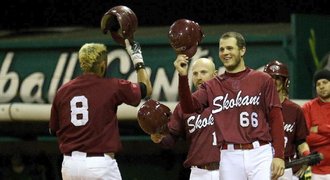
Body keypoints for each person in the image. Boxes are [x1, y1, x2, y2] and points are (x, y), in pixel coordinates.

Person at [173, 31, 285, 180]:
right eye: (222, 49)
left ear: (242, 50)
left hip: (260, 152)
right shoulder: (212, 85)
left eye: (230, 48)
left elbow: (275, 118)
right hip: (229, 155)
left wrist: (279, 155)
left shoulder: (262, 79)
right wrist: (182, 76)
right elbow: (188, 108)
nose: (225, 52)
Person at [49, 39, 152, 180]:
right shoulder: (112, 86)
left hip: (70, 166)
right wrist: (137, 59)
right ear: (103, 66)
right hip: (99, 164)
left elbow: (53, 129)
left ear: (82, 64)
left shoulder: (62, 90)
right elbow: (146, 90)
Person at [151, 58, 220, 180]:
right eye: (195, 73)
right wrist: (158, 137)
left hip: (227, 169)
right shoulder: (184, 106)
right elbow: (170, 139)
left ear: (215, 75)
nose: (199, 77)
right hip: (199, 172)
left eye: (203, 72)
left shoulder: (226, 101)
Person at [264, 60, 311, 180]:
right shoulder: (257, 108)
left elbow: (300, 142)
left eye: (278, 78)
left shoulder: (294, 110)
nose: (273, 81)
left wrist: (307, 158)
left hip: (287, 167)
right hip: (261, 165)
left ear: (285, 82)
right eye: (270, 78)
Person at [301, 69, 330, 180]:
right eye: (318, 84)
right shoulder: (308, 108)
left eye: (325, 82)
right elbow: (306, 138)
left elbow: (313, 134)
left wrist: (319, 128)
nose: (321, 86)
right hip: (315, 171)